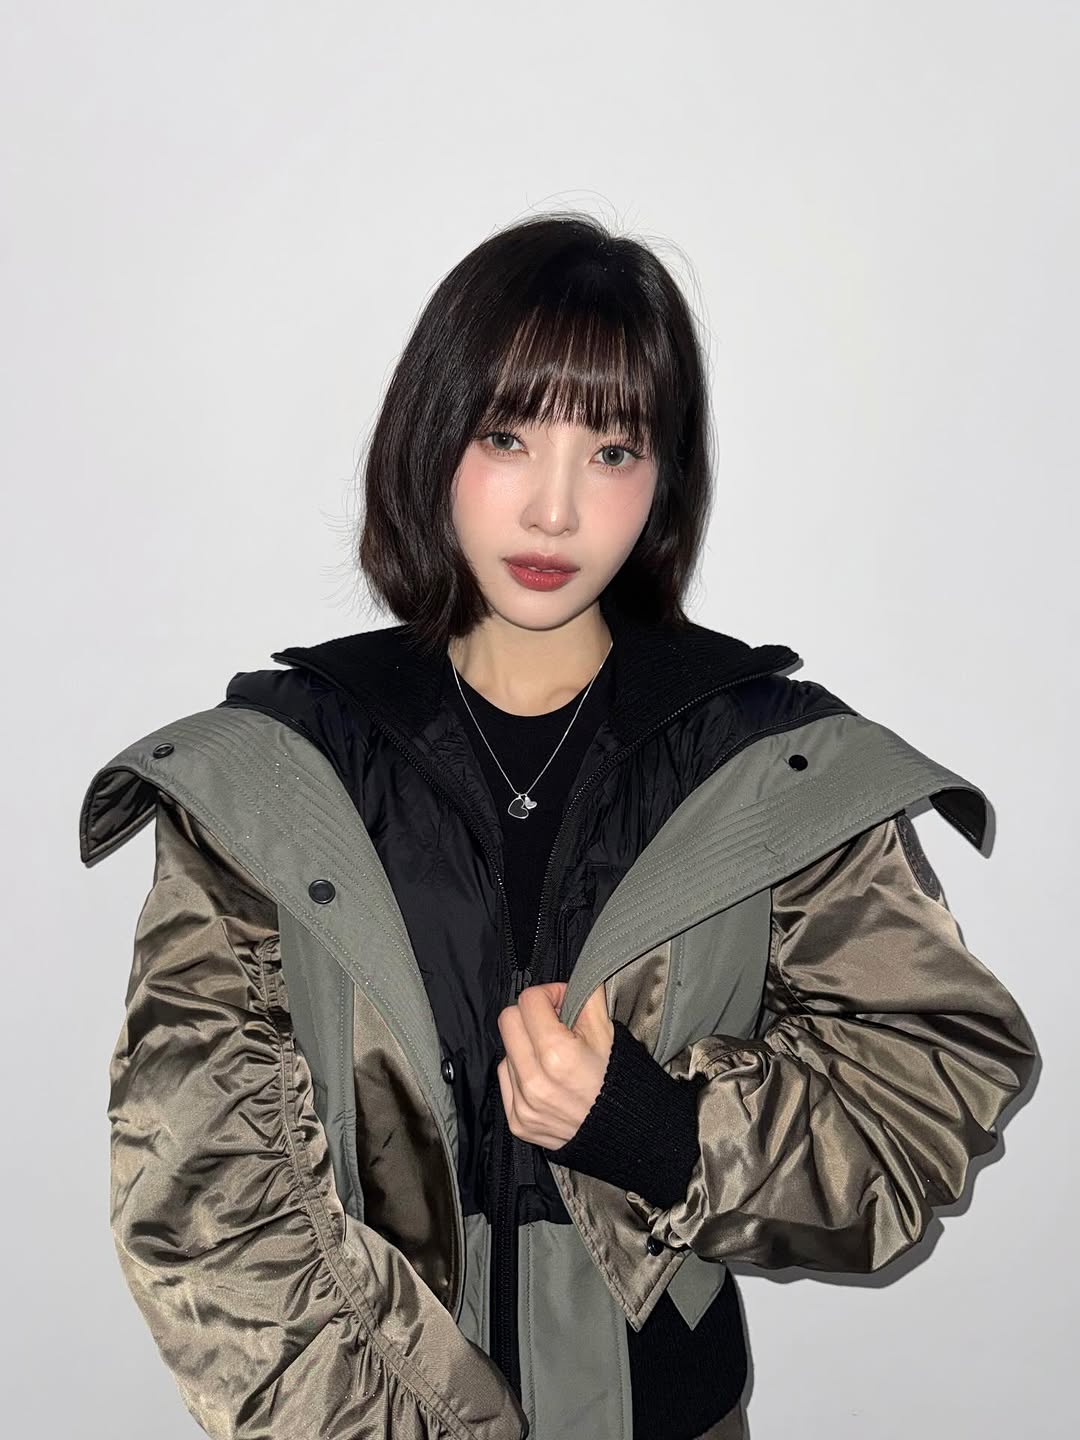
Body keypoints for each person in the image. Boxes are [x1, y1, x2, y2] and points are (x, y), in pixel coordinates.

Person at [81, 213, 1039, 1440]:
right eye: (508, 436)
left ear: (664, 476)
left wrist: (659, 1131)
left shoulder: (763, 762)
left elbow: (920, 1101)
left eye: (612, 449)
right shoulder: (284, 768)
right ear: (433, 439)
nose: (553, 508)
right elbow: (201, 1194)